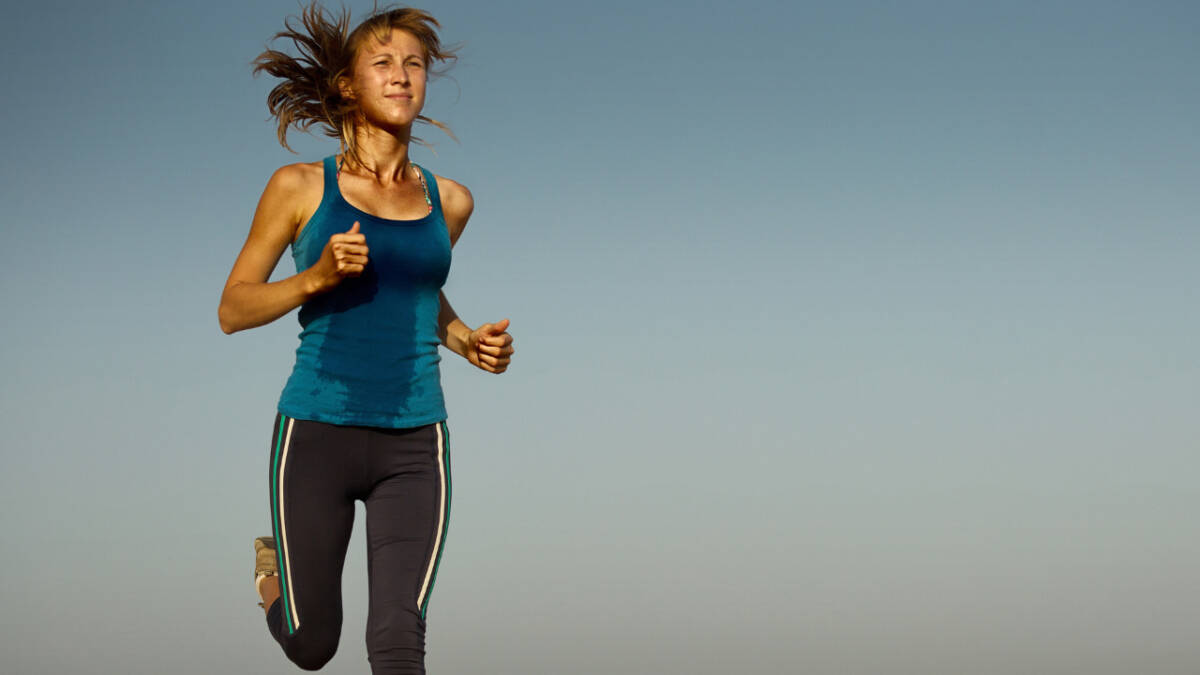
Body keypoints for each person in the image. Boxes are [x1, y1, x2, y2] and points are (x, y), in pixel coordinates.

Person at [218, 4, 513, 673]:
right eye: (383, 62)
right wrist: (315, 277)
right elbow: (232, 309)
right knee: (313, 643)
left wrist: (467, 340)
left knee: (398, 638)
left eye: (414, 64)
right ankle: (271, 579)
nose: (402, 76)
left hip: (416, 438)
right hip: (318, 428)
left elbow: (415, 290)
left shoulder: (451, 201)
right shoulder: (298, 186)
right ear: (348, 84)